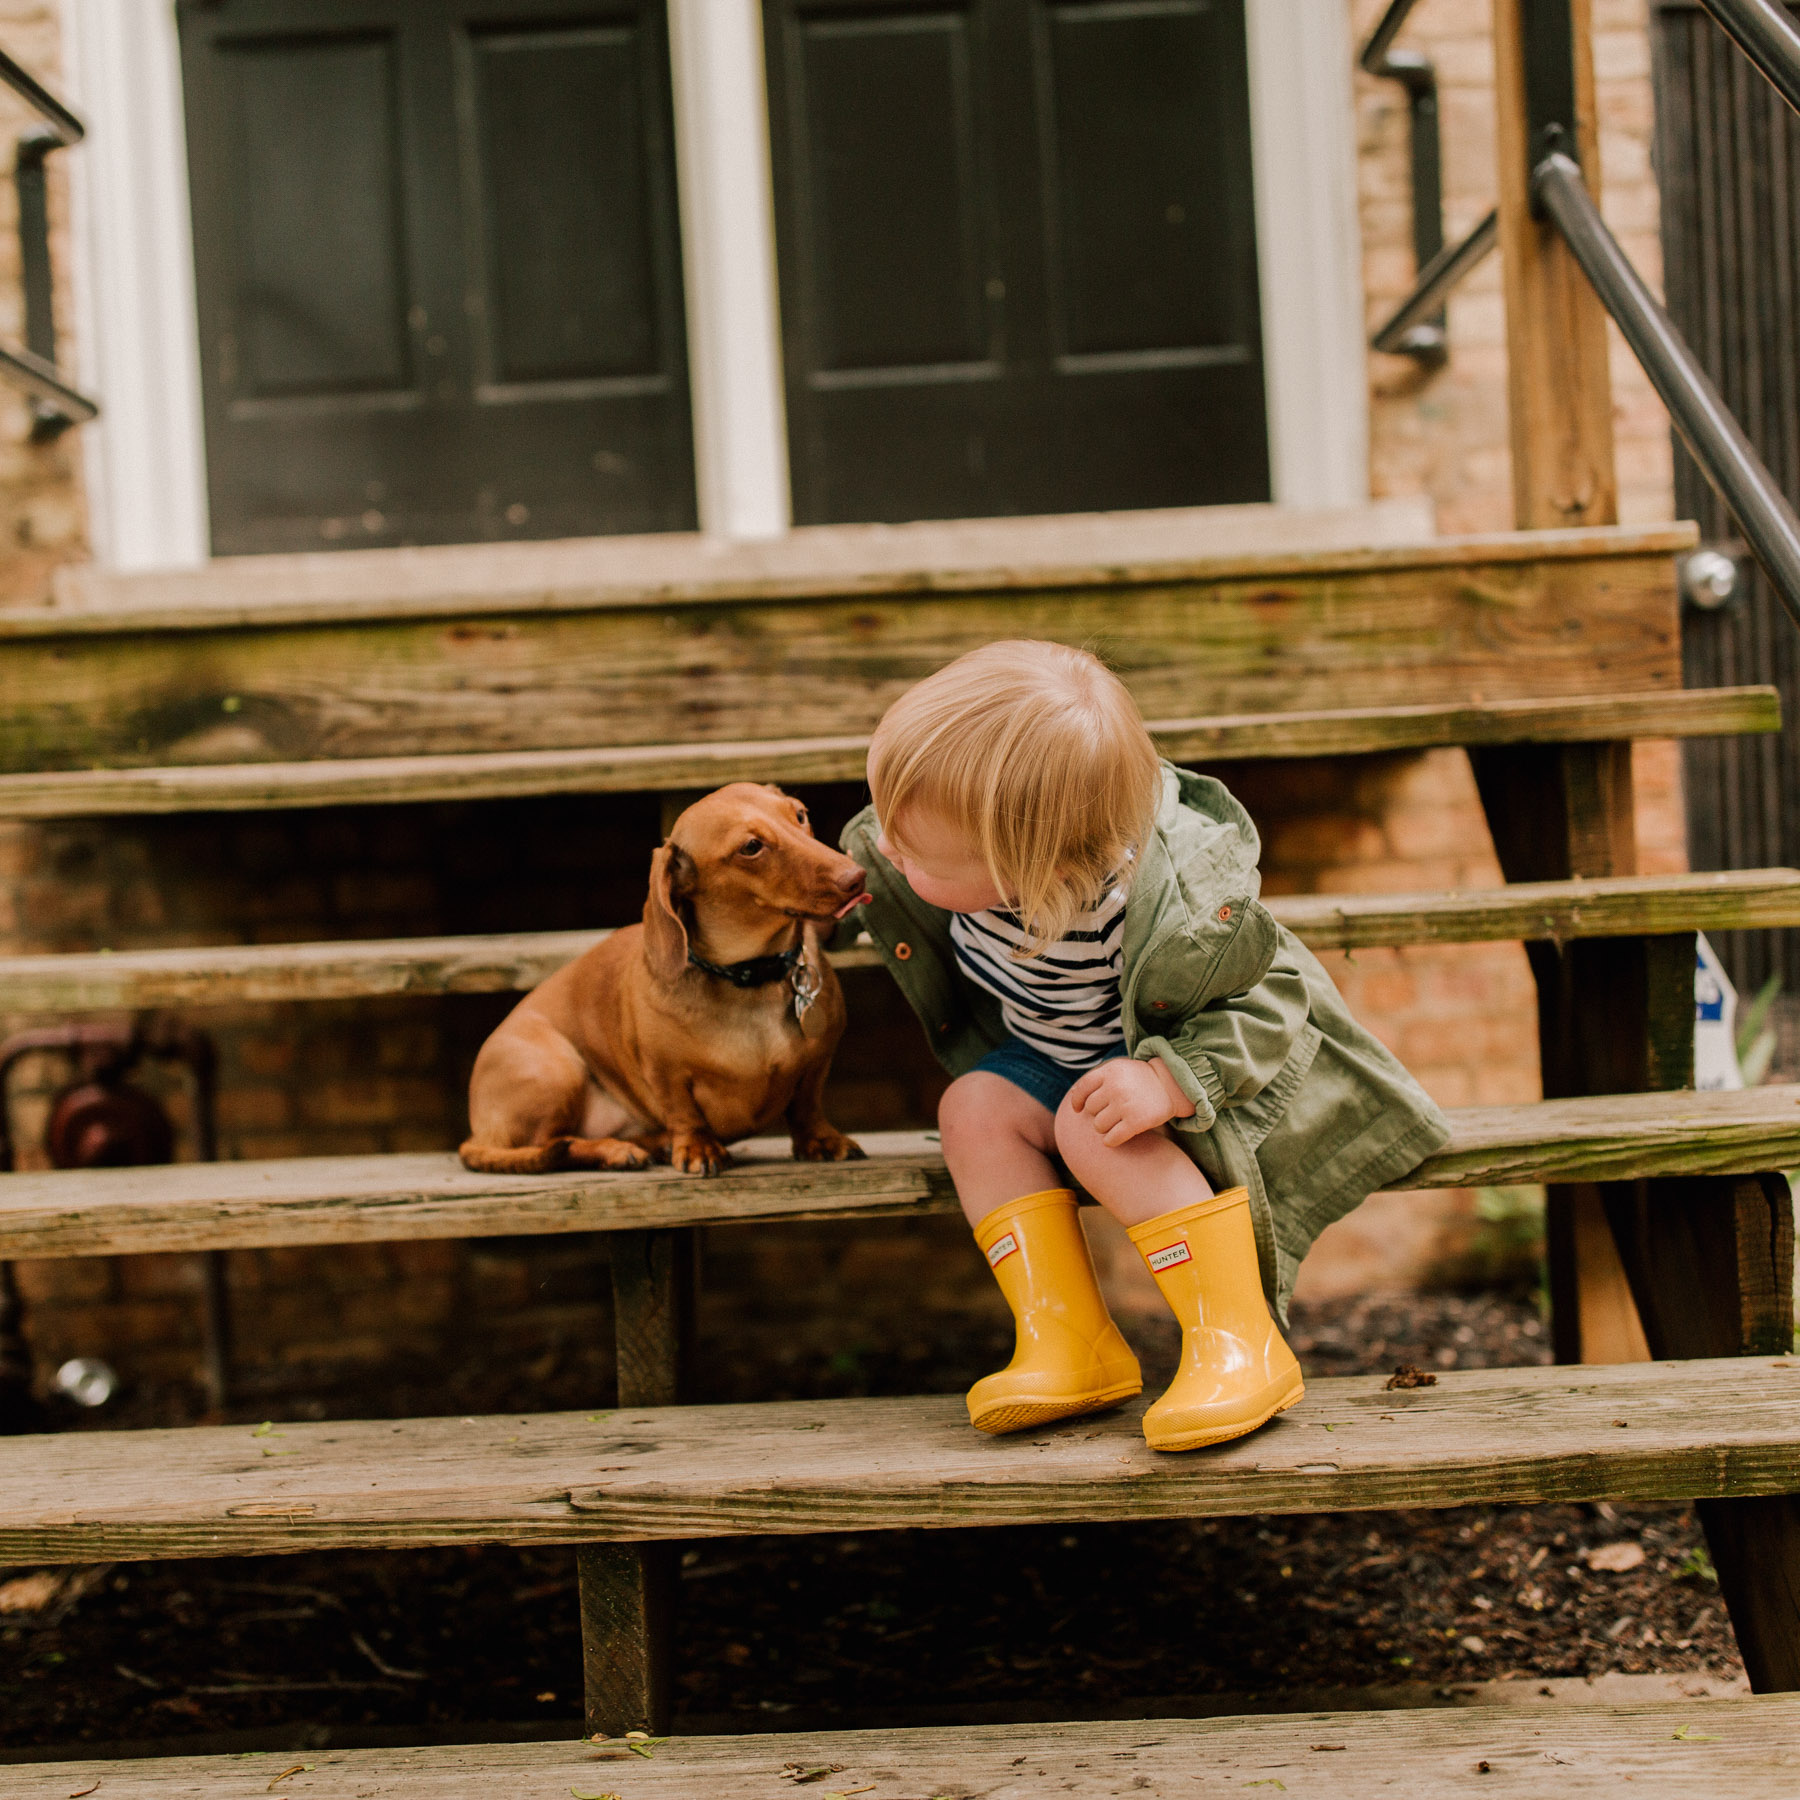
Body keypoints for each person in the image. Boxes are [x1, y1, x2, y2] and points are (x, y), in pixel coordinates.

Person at [839, 640, 1449, 1452]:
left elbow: (1275, 1005)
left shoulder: (1177, 904)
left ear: (1025, 866)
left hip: (1175, 1068)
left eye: (910, 853)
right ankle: (1069, 1341)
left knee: (1093, 1130)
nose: (885, 849)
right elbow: (890, 860)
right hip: (1051, 1055)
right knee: (973, 1107)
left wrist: (1171, 1081)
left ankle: (1241, 1342)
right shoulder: (928, 844)